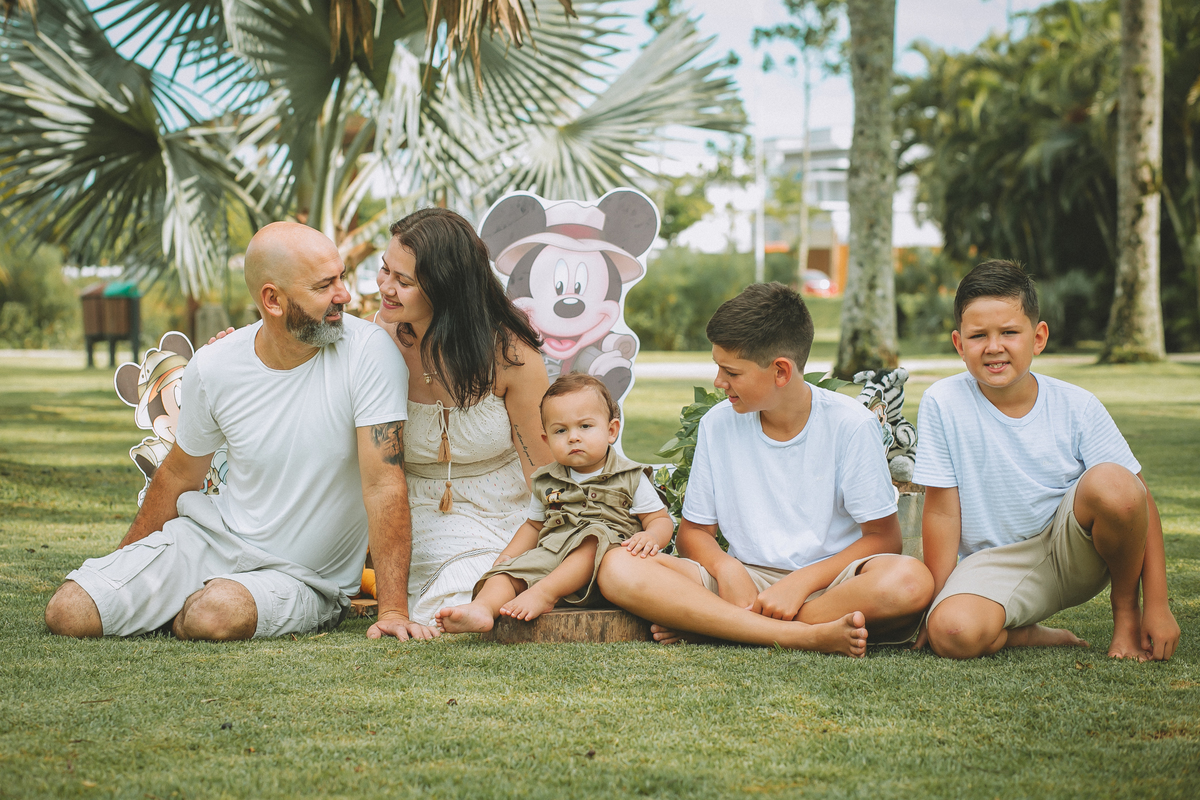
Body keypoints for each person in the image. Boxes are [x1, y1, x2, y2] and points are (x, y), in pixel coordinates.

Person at [43, 222, 434, 641]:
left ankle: (194, 605)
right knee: (69, 611)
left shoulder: (369, 352)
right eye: (325, 286)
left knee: (215, 613)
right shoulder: (215, 364)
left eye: (340, 277)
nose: (344, 295)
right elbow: (179, 474)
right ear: (273, 300)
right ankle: (178, 601)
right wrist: (126, 565)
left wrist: (393, 610)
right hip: (207, 541)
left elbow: (383, 484)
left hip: (303, 578)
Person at [595, 283, 933, 656]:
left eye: (731, 372)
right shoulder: (717, 424)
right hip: (741, 584)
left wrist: (800, 583)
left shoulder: (850, 425)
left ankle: (723, 626)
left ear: (781, 372)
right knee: (617, 566)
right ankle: (801, 635)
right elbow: (694, 533)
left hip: (831, 586)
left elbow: (884, 539)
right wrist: (727, 569)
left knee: (910, 581)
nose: (718, 382)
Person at [915, 260, 1180, 661]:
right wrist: (935, 602)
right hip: (994, 566)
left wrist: (1158, 605)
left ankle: (1126, 613)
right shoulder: (942, 402)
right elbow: (941, 512)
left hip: (1073, 552)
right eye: (978, 335)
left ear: (1038, 337)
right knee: (952, 634)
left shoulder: (1077, 405)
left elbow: (1139, 501)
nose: (994, 346)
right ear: (959, 344)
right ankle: (1028, 634)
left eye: (1009, 332)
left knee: (1116, 481)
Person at [374, 208, 554, 625]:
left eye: (404, 281)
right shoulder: (375, 342)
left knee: (555, 568)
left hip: (511, 507)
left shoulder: (509, 354)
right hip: (421, 508)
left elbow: (544, 474)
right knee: (463, 584)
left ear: (446, 288)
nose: (386, 287)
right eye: (385, 270)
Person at [435, 373, 674, 632]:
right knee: (505, 575)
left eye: (585, 426)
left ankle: (544, 594)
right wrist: (508, 556)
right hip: (554, 557)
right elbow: (533, 526)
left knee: (595, 536)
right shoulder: (546, 480)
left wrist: (652, 536)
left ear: (611, 431)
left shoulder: (631, 476)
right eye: (561, 430)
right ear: (547, 440)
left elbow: (659, 519)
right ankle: (482, 609)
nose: (573, 437)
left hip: (605, 566)